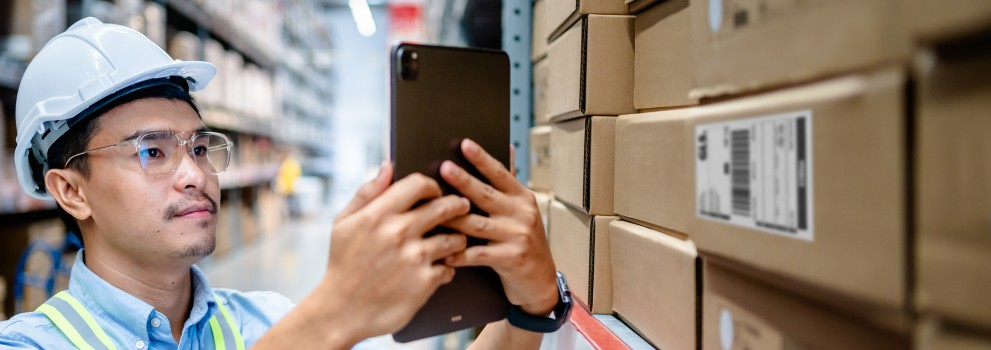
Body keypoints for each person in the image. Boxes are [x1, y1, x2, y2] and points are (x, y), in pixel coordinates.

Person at [0, 18, 565, 349]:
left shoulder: (263, 321)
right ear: (71, 190)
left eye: (199, 147)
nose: (196, 174)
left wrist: (529, 307)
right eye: (153, 151)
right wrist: (334, 314)